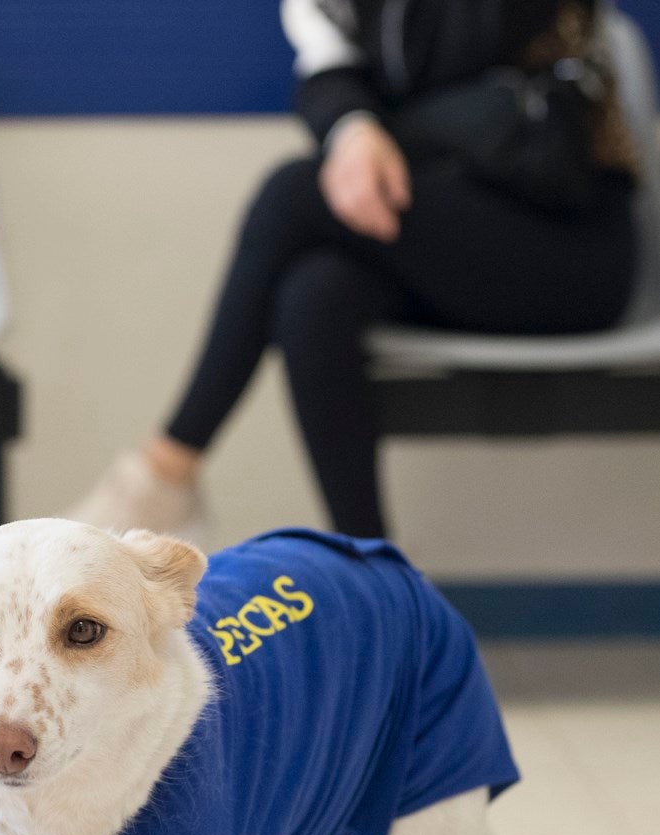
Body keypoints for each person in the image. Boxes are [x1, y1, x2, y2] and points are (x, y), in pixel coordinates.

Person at [70, 0, 639, 541]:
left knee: (291, 193)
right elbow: (328, 72)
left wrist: (365, 124)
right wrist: (355, 127)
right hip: (437, 248)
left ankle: (166, 469)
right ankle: (372, 571)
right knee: (315, 292)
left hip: (569, 251)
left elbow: (479, 65)